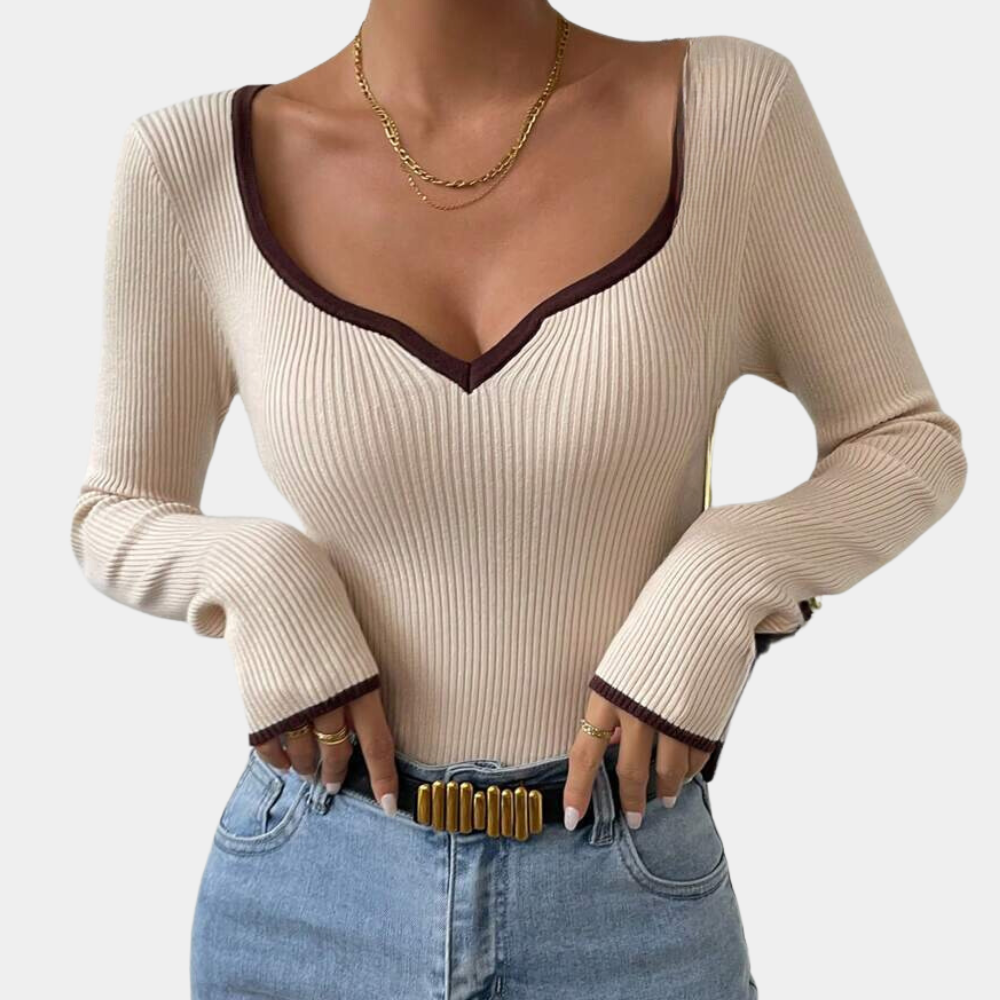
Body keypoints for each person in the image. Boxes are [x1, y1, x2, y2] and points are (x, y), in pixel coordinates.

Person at [69, 3, 968, 997]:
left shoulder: (729, 113)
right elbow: (115, 509)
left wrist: (728, 572)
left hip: (627, 898)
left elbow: (902, 438)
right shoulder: (191, 164)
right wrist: (258, 573)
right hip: (309, 890)